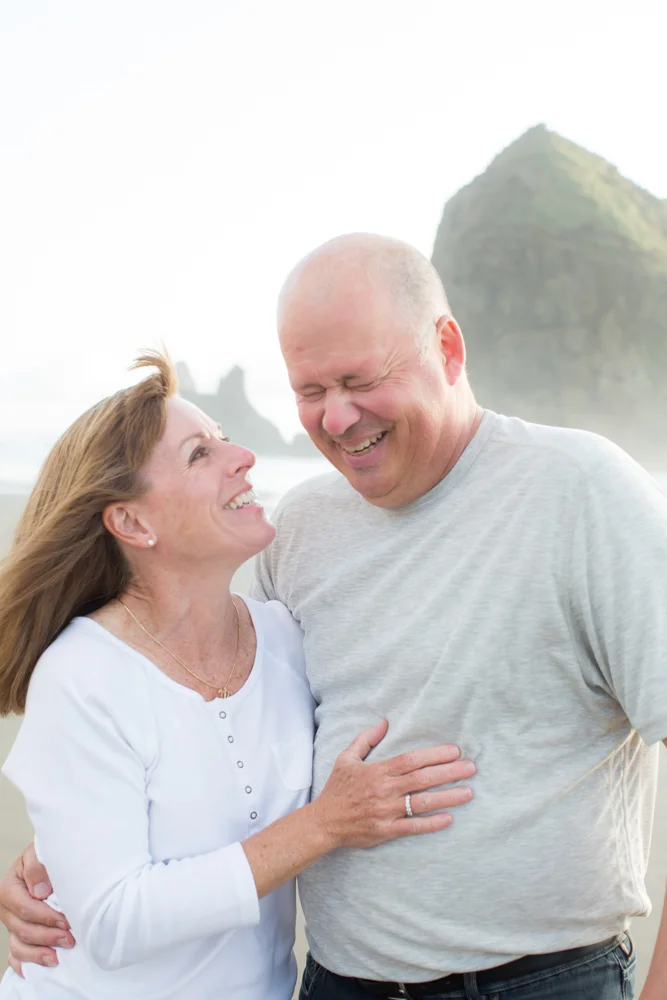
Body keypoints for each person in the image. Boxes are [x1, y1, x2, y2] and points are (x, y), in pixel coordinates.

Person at [3, 231, 667, 999]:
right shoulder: (304, 528)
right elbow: (220, 751)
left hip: (543, 983)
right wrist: (71, 857)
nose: (337, 418)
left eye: (358, 379)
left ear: (447, 348)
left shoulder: (583, 491)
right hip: (337, 983)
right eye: (310, 391)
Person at [0, 349, 476, 1000]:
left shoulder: (287, 637)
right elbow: (112, 922)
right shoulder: (81, 675)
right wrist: (325, 823)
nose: (242, 457)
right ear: (132, 522)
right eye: (200, 454)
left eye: (224, 440)